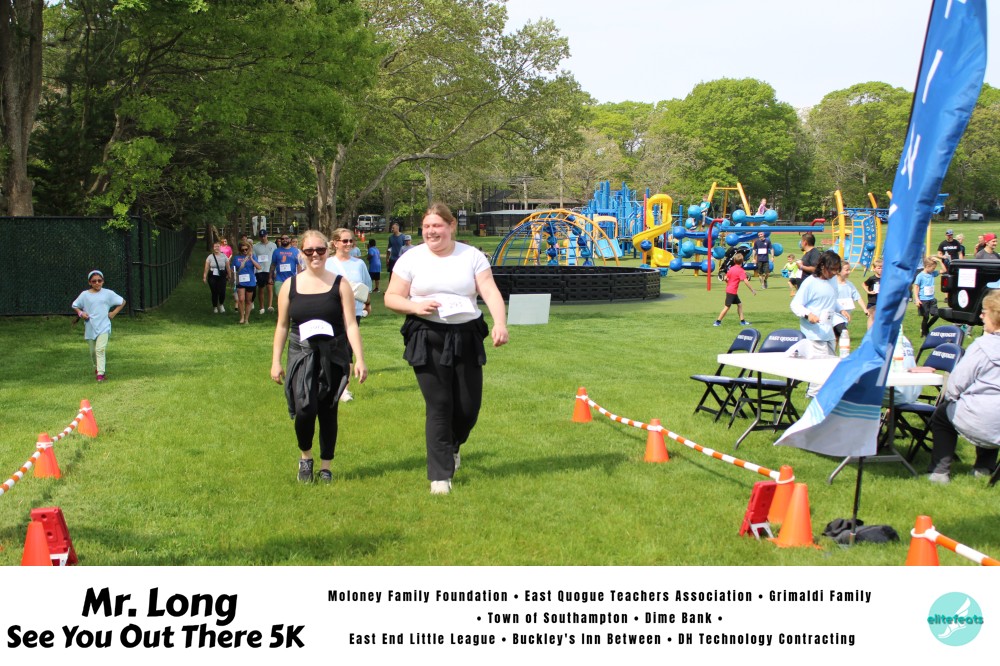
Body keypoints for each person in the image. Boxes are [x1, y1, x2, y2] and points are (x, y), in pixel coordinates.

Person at [384, 202, 509, 495]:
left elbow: (489, 291)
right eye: (426, 226)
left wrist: (500, 323)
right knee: (439, 405)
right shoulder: (411, 258)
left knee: (467, 408)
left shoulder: (471, 256)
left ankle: (453, 445)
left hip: (466, 335)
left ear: (451, 226)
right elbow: (391, 297)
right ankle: (440, 476)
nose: (431, 231)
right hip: (427, 334)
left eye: (437, 225)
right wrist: (415, 307)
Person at [270, 230, 367, 483]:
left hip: (333, 353)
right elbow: (282, 325)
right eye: (309, 251)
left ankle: (326, 466)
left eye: (320, 250)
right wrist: (275, 362)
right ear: (301, 253)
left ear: (327, 251)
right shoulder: (290, 286)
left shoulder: (340, 284)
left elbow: (351, 324)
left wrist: (359, 358)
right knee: (304, 408)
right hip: (301, 353)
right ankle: (305, 457)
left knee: (328, 410)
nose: (315, 255)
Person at [927, 289, 1000, 484]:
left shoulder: (982, 346)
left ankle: (939, 472)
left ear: (994, 316)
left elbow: (956, 384)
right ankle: (984, 468)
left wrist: (954, 398)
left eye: (984, 312)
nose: (981, 316)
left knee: (942, 414)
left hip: (981, 417)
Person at [325, 228, 373, 403]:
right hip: (331, 310)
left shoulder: (359, 264)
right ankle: (327, 383)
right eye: (344, 241)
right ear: (335, 243)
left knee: (347, 348)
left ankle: (344, 389)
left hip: (354, 311)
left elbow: (365, 286)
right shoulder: (327, 263)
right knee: (330, 346)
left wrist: (367, 304)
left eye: (351, 241)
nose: (348, 244)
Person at [790, 250, 842, 396]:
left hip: (828, 330)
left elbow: (831, 300)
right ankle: (813, 394)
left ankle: (824, 393)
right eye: (831, 269)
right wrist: (808, 314)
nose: (834, 273)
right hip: (814, 332)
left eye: (836, 270)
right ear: (822, 266)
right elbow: (795, 304)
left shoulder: (833, 280)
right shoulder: (810, 283)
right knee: (820, 365)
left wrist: (841, 309)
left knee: (831, 364)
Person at [72, 270, 126, 383]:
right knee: (93, 352)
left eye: (99, 281)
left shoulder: (108, 293)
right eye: (94, 281)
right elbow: (75, 305)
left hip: (104, 326)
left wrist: (114, 313)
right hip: (90, 327)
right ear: (89, 282)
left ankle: (101, 374)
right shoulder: (84, 295)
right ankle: (97, 367)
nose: (97, 283)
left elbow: (122, 301)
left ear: (103, 281)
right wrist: (81, 314)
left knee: (100, 349)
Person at [713, 253, 756, 327]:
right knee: (727, 307)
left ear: (734, 261)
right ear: (742, 261)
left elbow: (725, 278)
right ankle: (717, 322)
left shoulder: (731, 268)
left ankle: (742, 321)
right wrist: (752, 290)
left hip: (730, 290)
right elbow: (746, 281)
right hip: (732, 292)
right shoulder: (741, 270)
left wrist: (728, 283)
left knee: (739, 304)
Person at [832, 261, 866, 340]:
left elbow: (858, 297)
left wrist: (865, 309)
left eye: (849, 269)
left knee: (836, 337)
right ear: (838, 271)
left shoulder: (850, 284)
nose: (849, 272)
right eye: (846, 270)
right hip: (835, 314)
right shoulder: (833, 284)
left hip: (846, 315)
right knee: (844, 333)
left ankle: (833, 348)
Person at [912, 255, 944, 337]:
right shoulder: (920, 276)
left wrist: (940, 261)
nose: (934, 270)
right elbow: (916, 287)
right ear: (927, 266)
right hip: (923, 299)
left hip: (932, 299)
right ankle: (924, 333)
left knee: (937, 314)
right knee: (926, 317)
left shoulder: (932, 274)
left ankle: (926, 328)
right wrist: (917, 299)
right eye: (933, 268)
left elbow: (944, 270)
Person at [232, 241, 261, 324]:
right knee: (241, 299)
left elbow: (259, 267)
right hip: (240, 281)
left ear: (249, 249)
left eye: (246, 249)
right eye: (242, 250)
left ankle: (246, 319)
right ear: (240, 250)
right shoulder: (236, 258)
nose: (244, 251)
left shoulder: (253, 256)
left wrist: (251, 259)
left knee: (248, 301)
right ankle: (242, 317)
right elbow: (233, 268)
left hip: (250, 281)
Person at [203, 241, 232, 313]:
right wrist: (204, 277)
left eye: (218, 246)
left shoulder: (224, 256)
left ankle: (221, 304)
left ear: (220, 247)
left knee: (222, 291)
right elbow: (206, 267)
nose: (216, 248)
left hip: (222, 275)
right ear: (213, 248)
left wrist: (229, 275)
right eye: (215, 246)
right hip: (212, 275)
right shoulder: (210, 257)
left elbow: (228, 267)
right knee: (214, 291)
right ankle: (215, 307)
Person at [252, 229, 277, 314]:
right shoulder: (255, 246)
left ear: (267, 235)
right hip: (260, 270)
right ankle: (262, 307)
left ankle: (270, 306)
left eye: (264, 236)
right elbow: (254, 258)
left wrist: (275, 270)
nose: (263, 238)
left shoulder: (273, 245)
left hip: (270, 269)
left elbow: (275, 258)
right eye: (261, 236)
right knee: (261, 289)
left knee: (270, 288)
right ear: (259, 237)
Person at [863, 258, 883, 330]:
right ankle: (869, 332)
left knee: (880, 318)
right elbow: (864, 284)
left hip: (882, 301)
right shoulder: (872, 279)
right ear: (874, 269)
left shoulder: (885, 278)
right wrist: (868, 291)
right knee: (871, 317)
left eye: (882, 268)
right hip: (872, 301)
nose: (881, 269)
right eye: (879, 268)